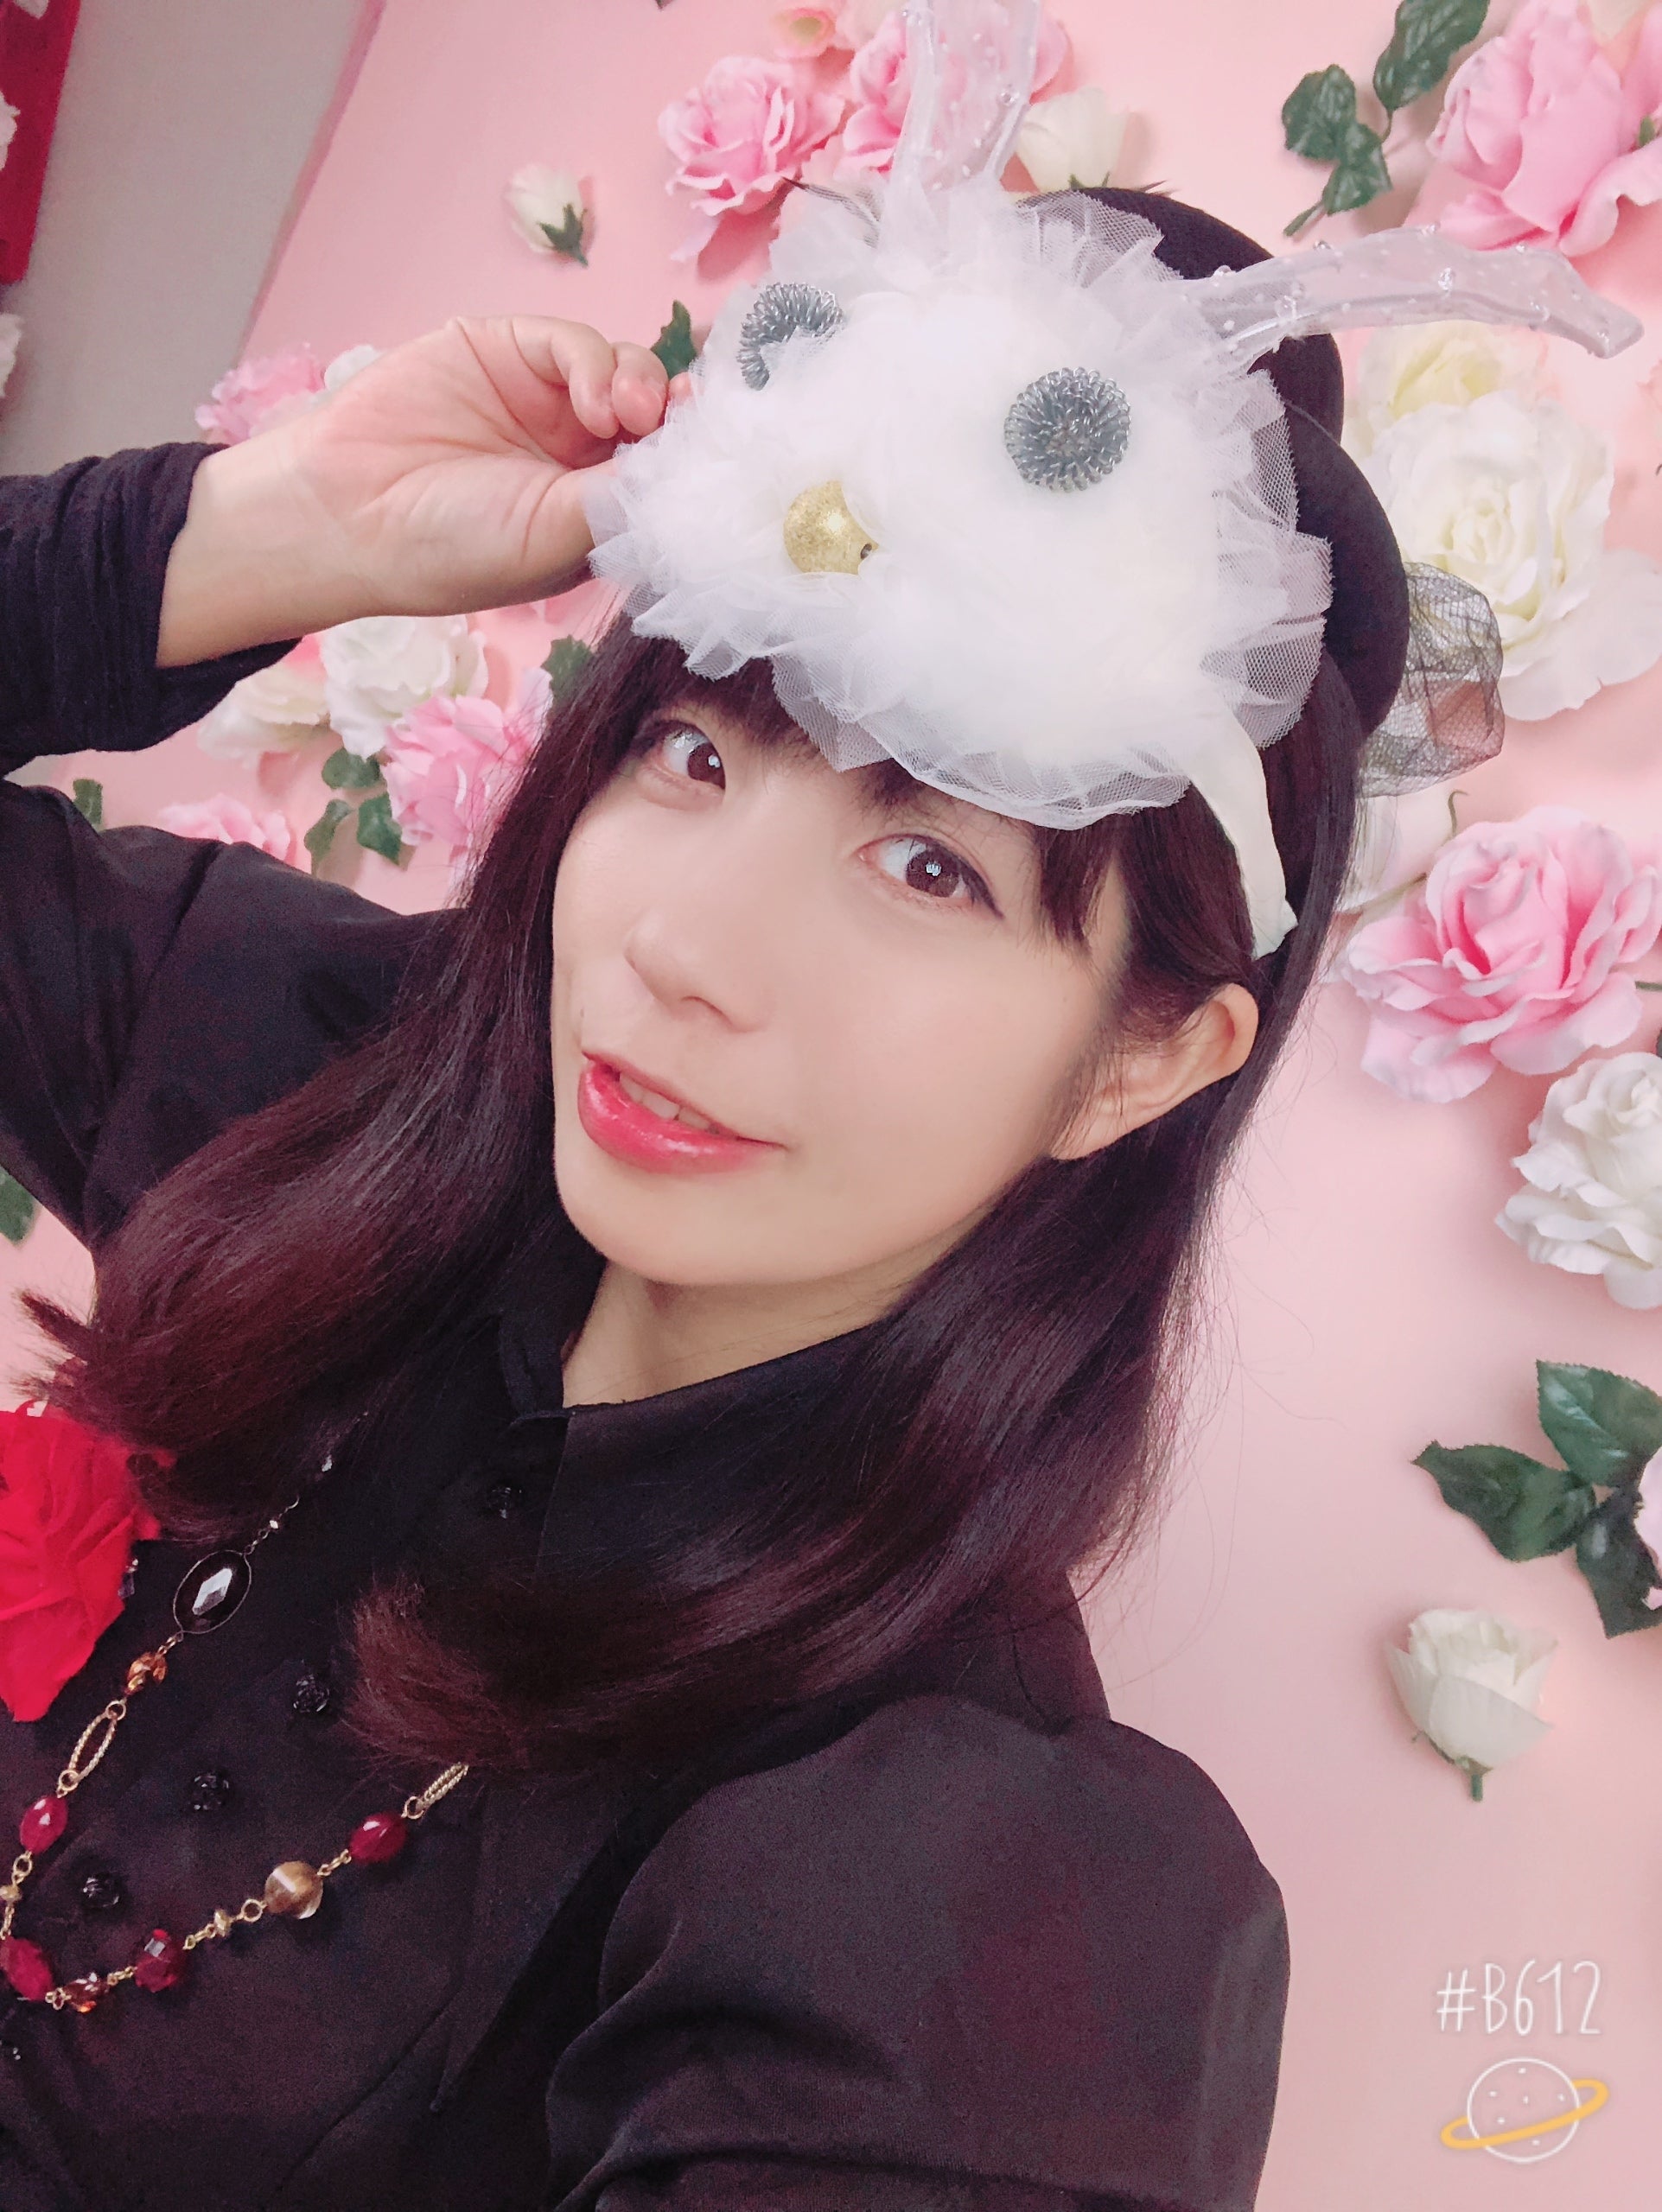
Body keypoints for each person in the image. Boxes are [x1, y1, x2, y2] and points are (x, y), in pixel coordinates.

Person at [0, 25, 1625, 2177]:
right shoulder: (324, 1084)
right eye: (692, 751)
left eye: (929, 863)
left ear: (1137, 1058)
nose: (688, 948)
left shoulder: (954, 1885)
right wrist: (245, 535)